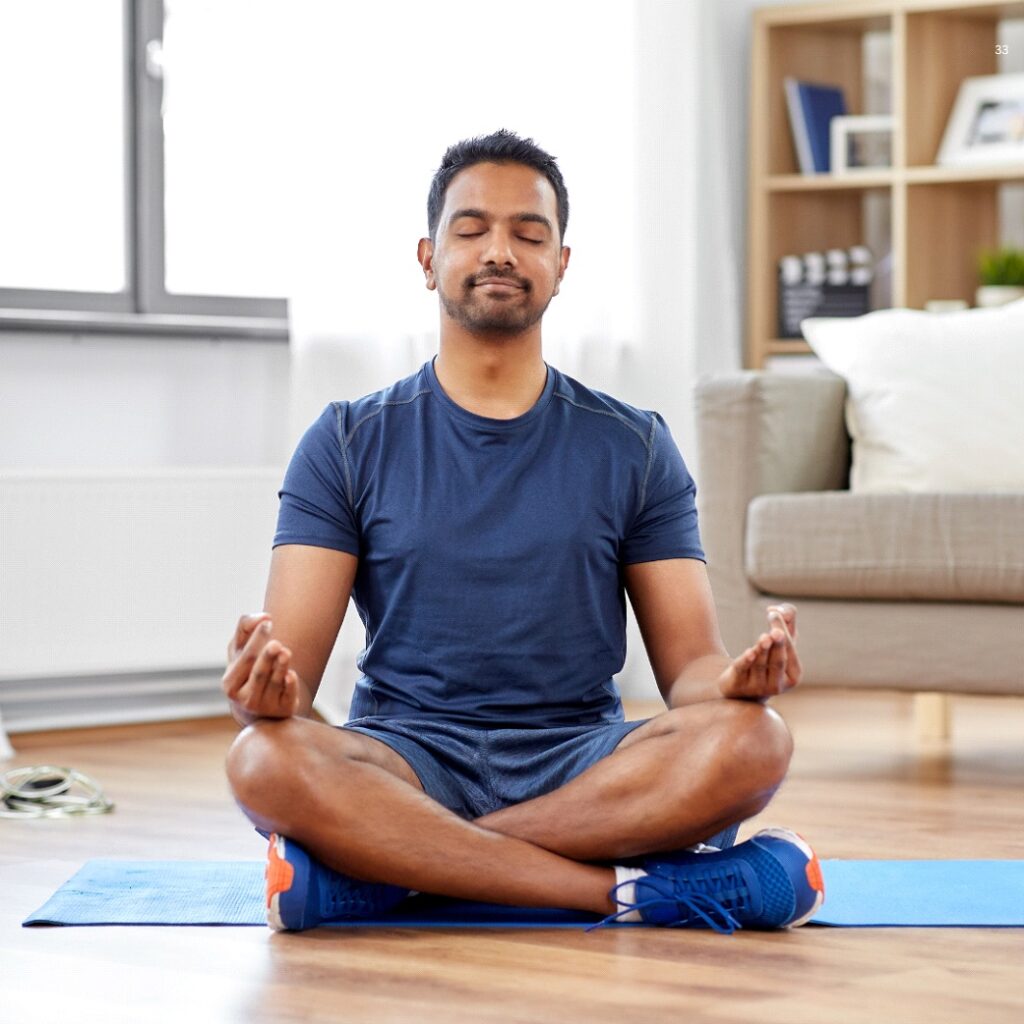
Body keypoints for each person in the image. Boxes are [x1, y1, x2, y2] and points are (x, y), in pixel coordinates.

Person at [222, 129, 824, 934]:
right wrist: (265, 690)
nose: (499, 250)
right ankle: (636, 892)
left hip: (580, 760)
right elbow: (288, 687)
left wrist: (736, 686)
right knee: (263, 757)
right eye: (471, 230)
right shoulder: (346, 440)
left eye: (528, 234)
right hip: (405, 758)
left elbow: (690, 670)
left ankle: (391, 873)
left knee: (756, 742)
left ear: (561, 266)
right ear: (428, 258)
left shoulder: (634, 444)